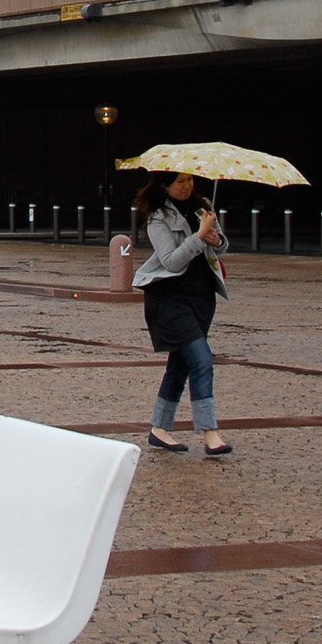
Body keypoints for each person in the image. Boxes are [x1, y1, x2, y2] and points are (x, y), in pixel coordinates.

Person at [131, 172, 233, 458]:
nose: (187, 186)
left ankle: (159, 429)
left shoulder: (204, 207)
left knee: (180, 364)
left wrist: (215, 238)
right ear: (165, 185)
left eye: (190, 180)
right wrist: (200, 236)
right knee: (201, 359)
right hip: (169, 300)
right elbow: (171, 262)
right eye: (180, 181)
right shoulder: (158, 218)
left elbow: (221, 247)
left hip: (201, 298)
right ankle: (210, 432)